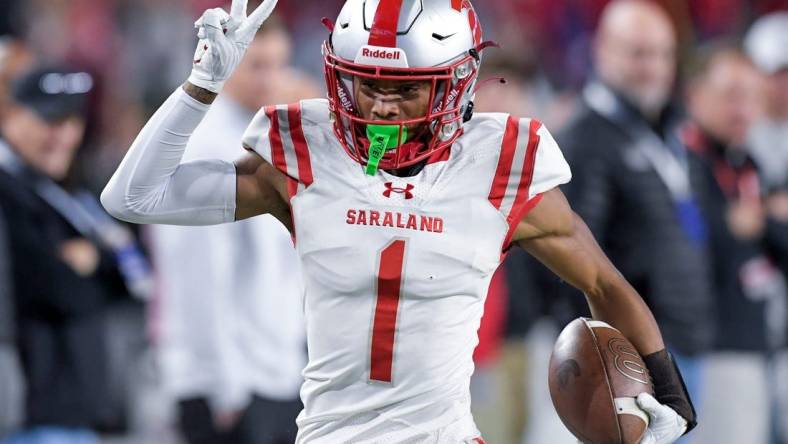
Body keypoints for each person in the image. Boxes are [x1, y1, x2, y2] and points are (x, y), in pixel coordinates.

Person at [101, 0, 696, 442]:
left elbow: (603, 283)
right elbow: (134, 198)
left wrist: (668, 394)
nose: (381, 106)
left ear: (458, 85)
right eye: (367, 84)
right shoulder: (304, 154)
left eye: (406, 89)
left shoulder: (501, 163)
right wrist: (200, 87)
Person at [148, 18, 315, 444]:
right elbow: (199, 278)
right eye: (256, 65)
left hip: (274, 372)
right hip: (228, 383)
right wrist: (227, 386)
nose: (271, 78)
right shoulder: (202, 144)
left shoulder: (263, 138)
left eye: (278, 64)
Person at [555, 0, 714, 407]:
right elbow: (570, 258)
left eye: (663, 53)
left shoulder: (672, 127)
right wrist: (607, 354)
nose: (654, 67)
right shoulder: (583, 138)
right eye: (639, 53)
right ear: (603, 51)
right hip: (629, 357)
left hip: (680, 343)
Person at [682, 44, 784, 444]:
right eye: (731, 97)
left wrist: (760, 223)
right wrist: (759, 220)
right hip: (712, 347)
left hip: (757, 343)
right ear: (696, 95)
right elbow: (698, 247)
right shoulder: (683, 162)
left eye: (752, 98)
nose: (743, 110)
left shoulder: (747, 162)